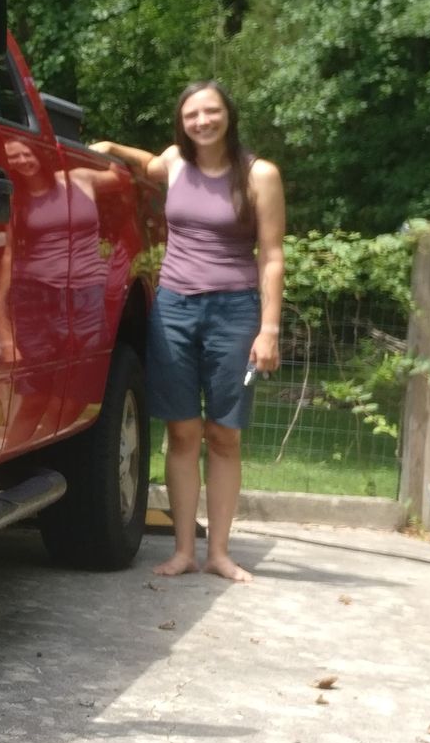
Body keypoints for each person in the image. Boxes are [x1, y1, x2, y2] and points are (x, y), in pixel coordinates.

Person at [91, 81, 285, 582]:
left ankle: (218, 552)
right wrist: (111, 148)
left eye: (212, 111)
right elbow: (146, 162)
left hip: (235, 313)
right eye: (193, 113)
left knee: (224, 435)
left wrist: (269, 329)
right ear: (183, 121)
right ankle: (183, 551)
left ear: (228, 114)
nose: (203, 121)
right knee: (181, 432)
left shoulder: (259, 174)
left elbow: (272, 256)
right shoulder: (175, 161)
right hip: (173, 309)